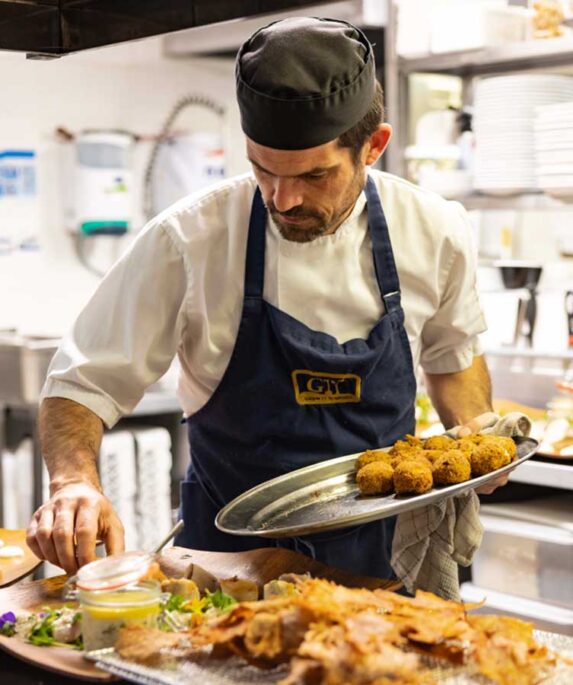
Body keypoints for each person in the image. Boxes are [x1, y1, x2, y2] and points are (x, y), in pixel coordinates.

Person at [27, 17, 500, 578]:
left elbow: (453, 357)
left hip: (387, 559)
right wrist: (73, 481)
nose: (283, 198)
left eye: (314, 175)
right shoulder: (189, 238)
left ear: (373, 147)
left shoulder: (434, 229)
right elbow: (83, 382)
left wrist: (477, 433)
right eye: (261, 169)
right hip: (225, 567)